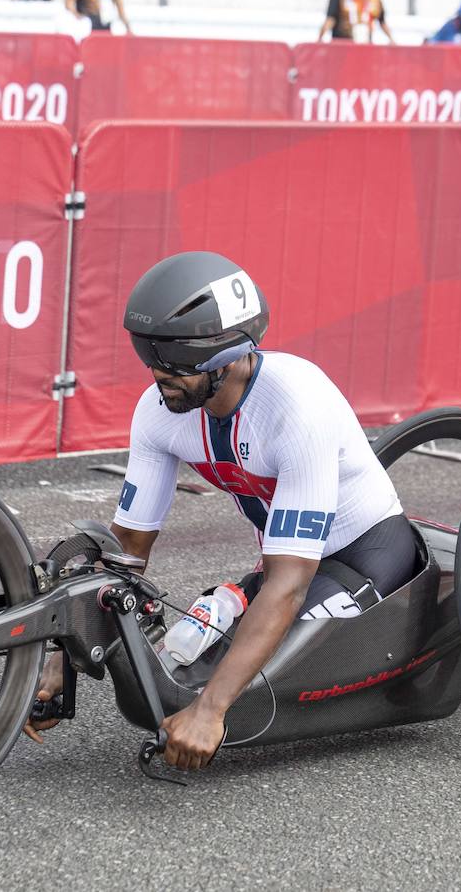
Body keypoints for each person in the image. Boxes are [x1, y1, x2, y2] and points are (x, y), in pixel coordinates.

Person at [24, 252, 419, 771]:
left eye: (175, 366)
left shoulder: (297, 408)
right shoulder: (159, 413)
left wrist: (210, 712)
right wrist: (63, 662)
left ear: (226, 358)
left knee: (246, 684)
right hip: (288, 563)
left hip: (367, 557)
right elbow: (126, 558)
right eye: (152, 360)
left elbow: (287, 587)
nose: (159, 377)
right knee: (181, 650)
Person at [318, 0, 395, 43]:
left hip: (365, 44)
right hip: (343, 43)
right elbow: (330, 19)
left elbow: (382, 22)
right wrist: (320, 38)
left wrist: (392, 40)